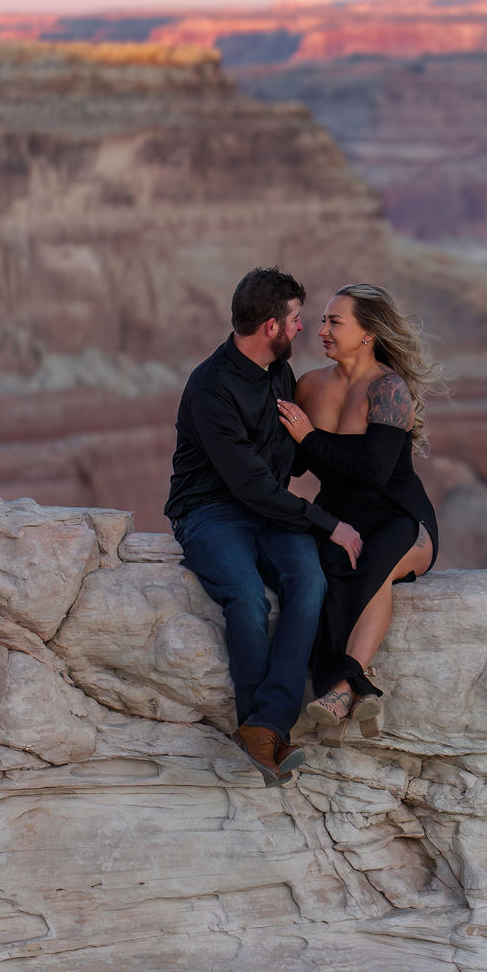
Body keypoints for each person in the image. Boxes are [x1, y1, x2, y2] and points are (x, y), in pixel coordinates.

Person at [165, 266, 364, 784]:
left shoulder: (279, 372)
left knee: (310, 582)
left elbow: (289, 463)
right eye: (297, 319)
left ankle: (266, 725)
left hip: (267, 510)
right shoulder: (212, 389)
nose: (304, 329)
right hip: (209, 512)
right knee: (249, 599)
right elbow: (251, 484)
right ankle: (263, 732)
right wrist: (329, 524)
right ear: (272, 326)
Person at [276, 283, 444, 738]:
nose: (322, 329)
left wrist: (309, 437)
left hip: (400, 516)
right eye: (323, 320)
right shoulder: (308, 386)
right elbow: (292, 465)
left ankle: (343, 687)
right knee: (319, 573)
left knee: (371, 564)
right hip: (338, 517)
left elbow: (373, 471)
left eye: (335, 321)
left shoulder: (388, 387)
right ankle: (358, 693)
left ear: (368, 333)